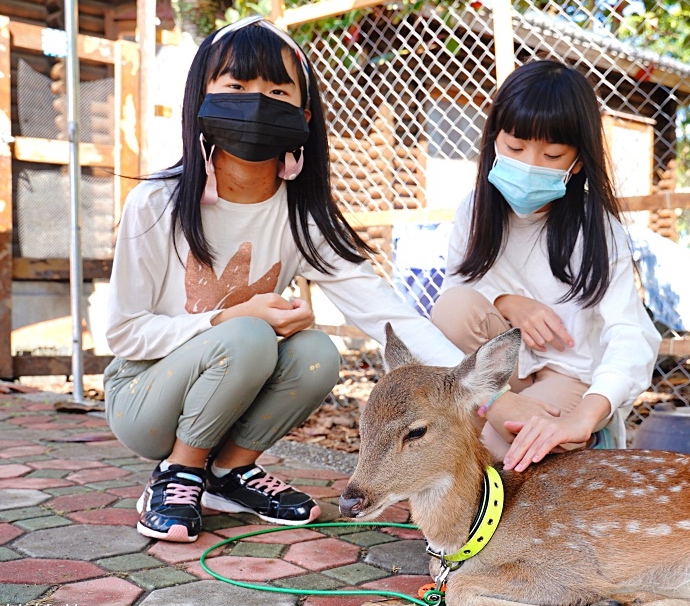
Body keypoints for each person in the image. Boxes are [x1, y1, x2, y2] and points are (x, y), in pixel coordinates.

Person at [104, 16, 463, 543]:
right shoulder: (157, 204)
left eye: (277, 90)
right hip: (143, 397)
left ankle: (229, 474)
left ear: (304, 114)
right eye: (236, 87)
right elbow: (123, 334)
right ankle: (177, 473)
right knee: (249, 336)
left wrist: (481, 393)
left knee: (317, 351)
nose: (256, 103)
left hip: (228, 393)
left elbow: (386, 311)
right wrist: (231, 317)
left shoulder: (301, 218)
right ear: (200, 100)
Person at [433, 60, 662, 473]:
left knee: (494, 457)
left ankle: (582, 436)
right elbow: (455, 298)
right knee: (452, 306)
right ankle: (502, 416)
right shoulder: (475, 209)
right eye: (515, 148)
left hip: (569, 375)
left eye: (552, 154)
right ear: (493, 143)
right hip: (499, 371)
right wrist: (507, 302)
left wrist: (587, 414)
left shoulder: (599, 229)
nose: (530, 165)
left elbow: (631, 333)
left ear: (577, 163)